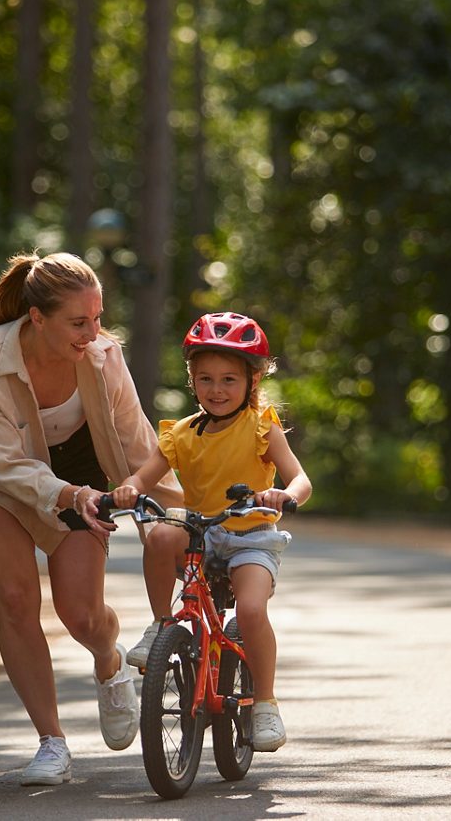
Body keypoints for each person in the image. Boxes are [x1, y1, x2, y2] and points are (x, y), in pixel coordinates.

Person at [0, 251, 182, 786]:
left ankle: (109, 658)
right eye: (79, 322)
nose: (93, 332)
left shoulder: (102, 356)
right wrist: (67, 495)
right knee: (14, 599)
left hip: (81, 472)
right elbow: (6, 464)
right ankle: (51, 741)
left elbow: (133, 439)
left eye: (98, 317)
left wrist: (171, 516)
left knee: (80, 616)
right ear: (37, 318)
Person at [111, 311, 312, 752]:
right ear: (191, 380)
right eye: (205, 379)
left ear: (252, 382)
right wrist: (127, 492)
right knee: (162, 533)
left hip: (251, 536)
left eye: (228, 380)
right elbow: (144, 478)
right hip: (202, 533)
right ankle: (162, 624)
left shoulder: (262, 425)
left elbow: (300, 478)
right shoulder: (182, 433)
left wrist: (282, 495)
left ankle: (265, 705)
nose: (216, 390)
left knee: (252, 610)